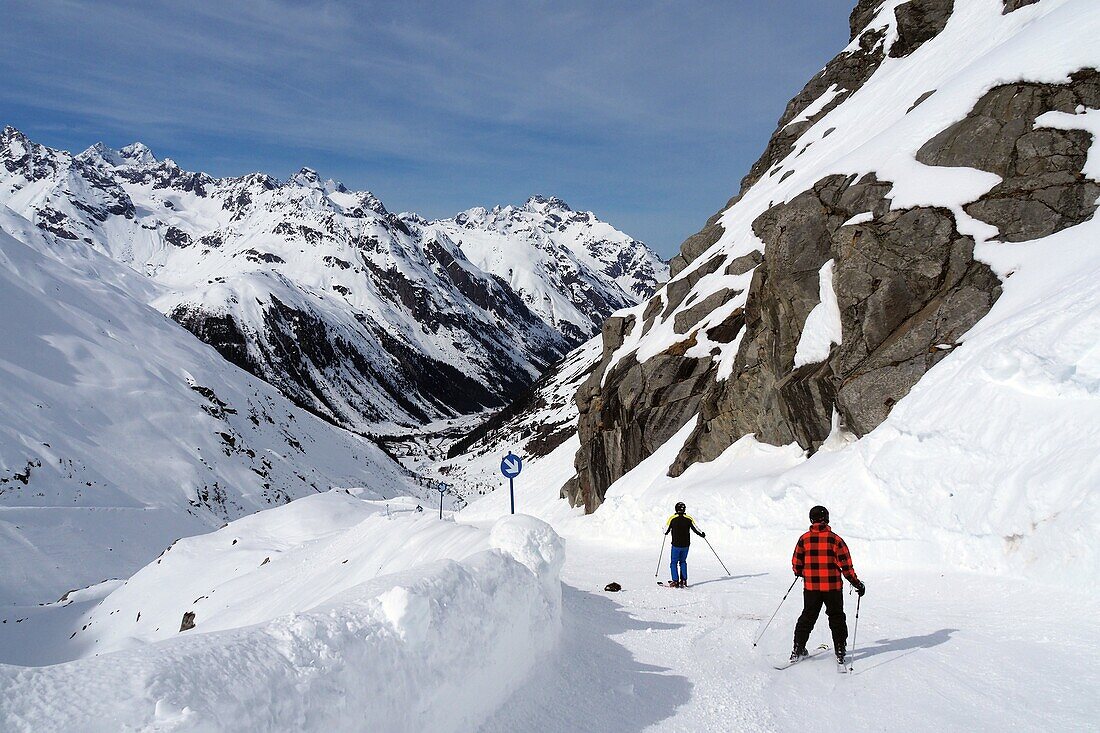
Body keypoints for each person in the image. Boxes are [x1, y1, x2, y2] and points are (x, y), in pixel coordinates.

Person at [790, 505, 866, 665]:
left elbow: (797, 562)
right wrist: (857, 584)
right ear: (827, 519)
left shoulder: (804, 539)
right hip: (833, 588)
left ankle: (798, 649)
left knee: (807, 617)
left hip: (811, 588)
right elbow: (846, 567)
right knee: (837, 617)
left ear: (811, 519)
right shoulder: (835, 540)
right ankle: (840, 650)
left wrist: (799, 571)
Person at [664, 502, 705, 588]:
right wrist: (702, 534)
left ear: (676, 509)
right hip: (686, 545)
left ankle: (675, 581)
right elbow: (696, 529)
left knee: (673, 562)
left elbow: (665, 531)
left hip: (676, 545)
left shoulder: (672, 518)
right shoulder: (689, 518)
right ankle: (684, 580)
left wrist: (667, 531)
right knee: (683, 561)